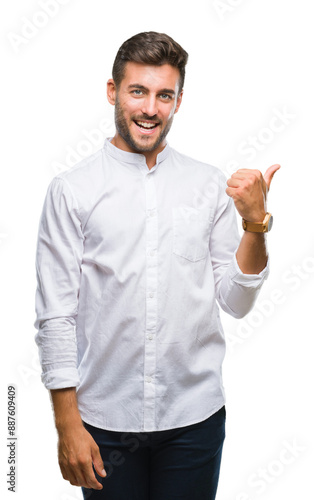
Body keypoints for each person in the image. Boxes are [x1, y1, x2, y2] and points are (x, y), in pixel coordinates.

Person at [34, 31, 280, 500]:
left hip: (194, 420)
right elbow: (55, 316)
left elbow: (236, 300)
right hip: (104, 420)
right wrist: (68, 426)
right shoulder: (72, 190)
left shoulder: (209, 185)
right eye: (138, 91)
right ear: (113, 92)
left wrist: (255, 225)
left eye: (164, 95)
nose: (150, 108)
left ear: (178, 101)